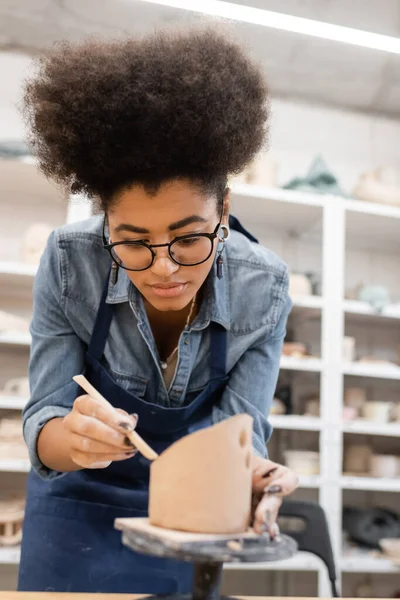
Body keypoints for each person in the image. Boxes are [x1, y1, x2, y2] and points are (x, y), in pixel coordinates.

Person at [18, 27, 298, 593]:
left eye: (189, 238)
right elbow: (42, 419)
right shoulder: (71, 262)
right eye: (132, 241)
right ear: (104, 222)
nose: (163, 269)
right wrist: (69, 439)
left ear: (224, 209)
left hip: (191, 513)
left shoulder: (262, 287)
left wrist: (253, 473)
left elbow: (243, 432)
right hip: (77, 506)